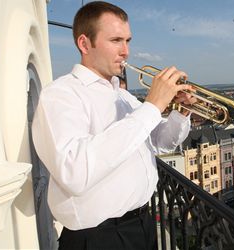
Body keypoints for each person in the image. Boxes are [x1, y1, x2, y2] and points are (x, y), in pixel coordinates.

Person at [32, 1, 196, 249]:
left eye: (128, 40)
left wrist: (182, 111)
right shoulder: (61, 95)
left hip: (143, 224)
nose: (126, 51)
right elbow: (74, 172)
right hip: (99, 238)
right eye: (116, 40)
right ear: (85, 44)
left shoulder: (122, 95)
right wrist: (152, 107)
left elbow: (161, 142)